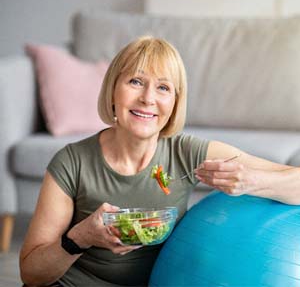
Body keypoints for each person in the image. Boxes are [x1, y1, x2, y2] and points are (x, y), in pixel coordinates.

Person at [20, 35, 300, 287]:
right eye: (136, 82)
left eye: (163, 88)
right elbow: (31, 274)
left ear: (175, 102)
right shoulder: (72, 161)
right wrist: (81, 237)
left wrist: (253, 181)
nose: (148, 98)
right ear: (113, 90)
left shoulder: (186, 153)